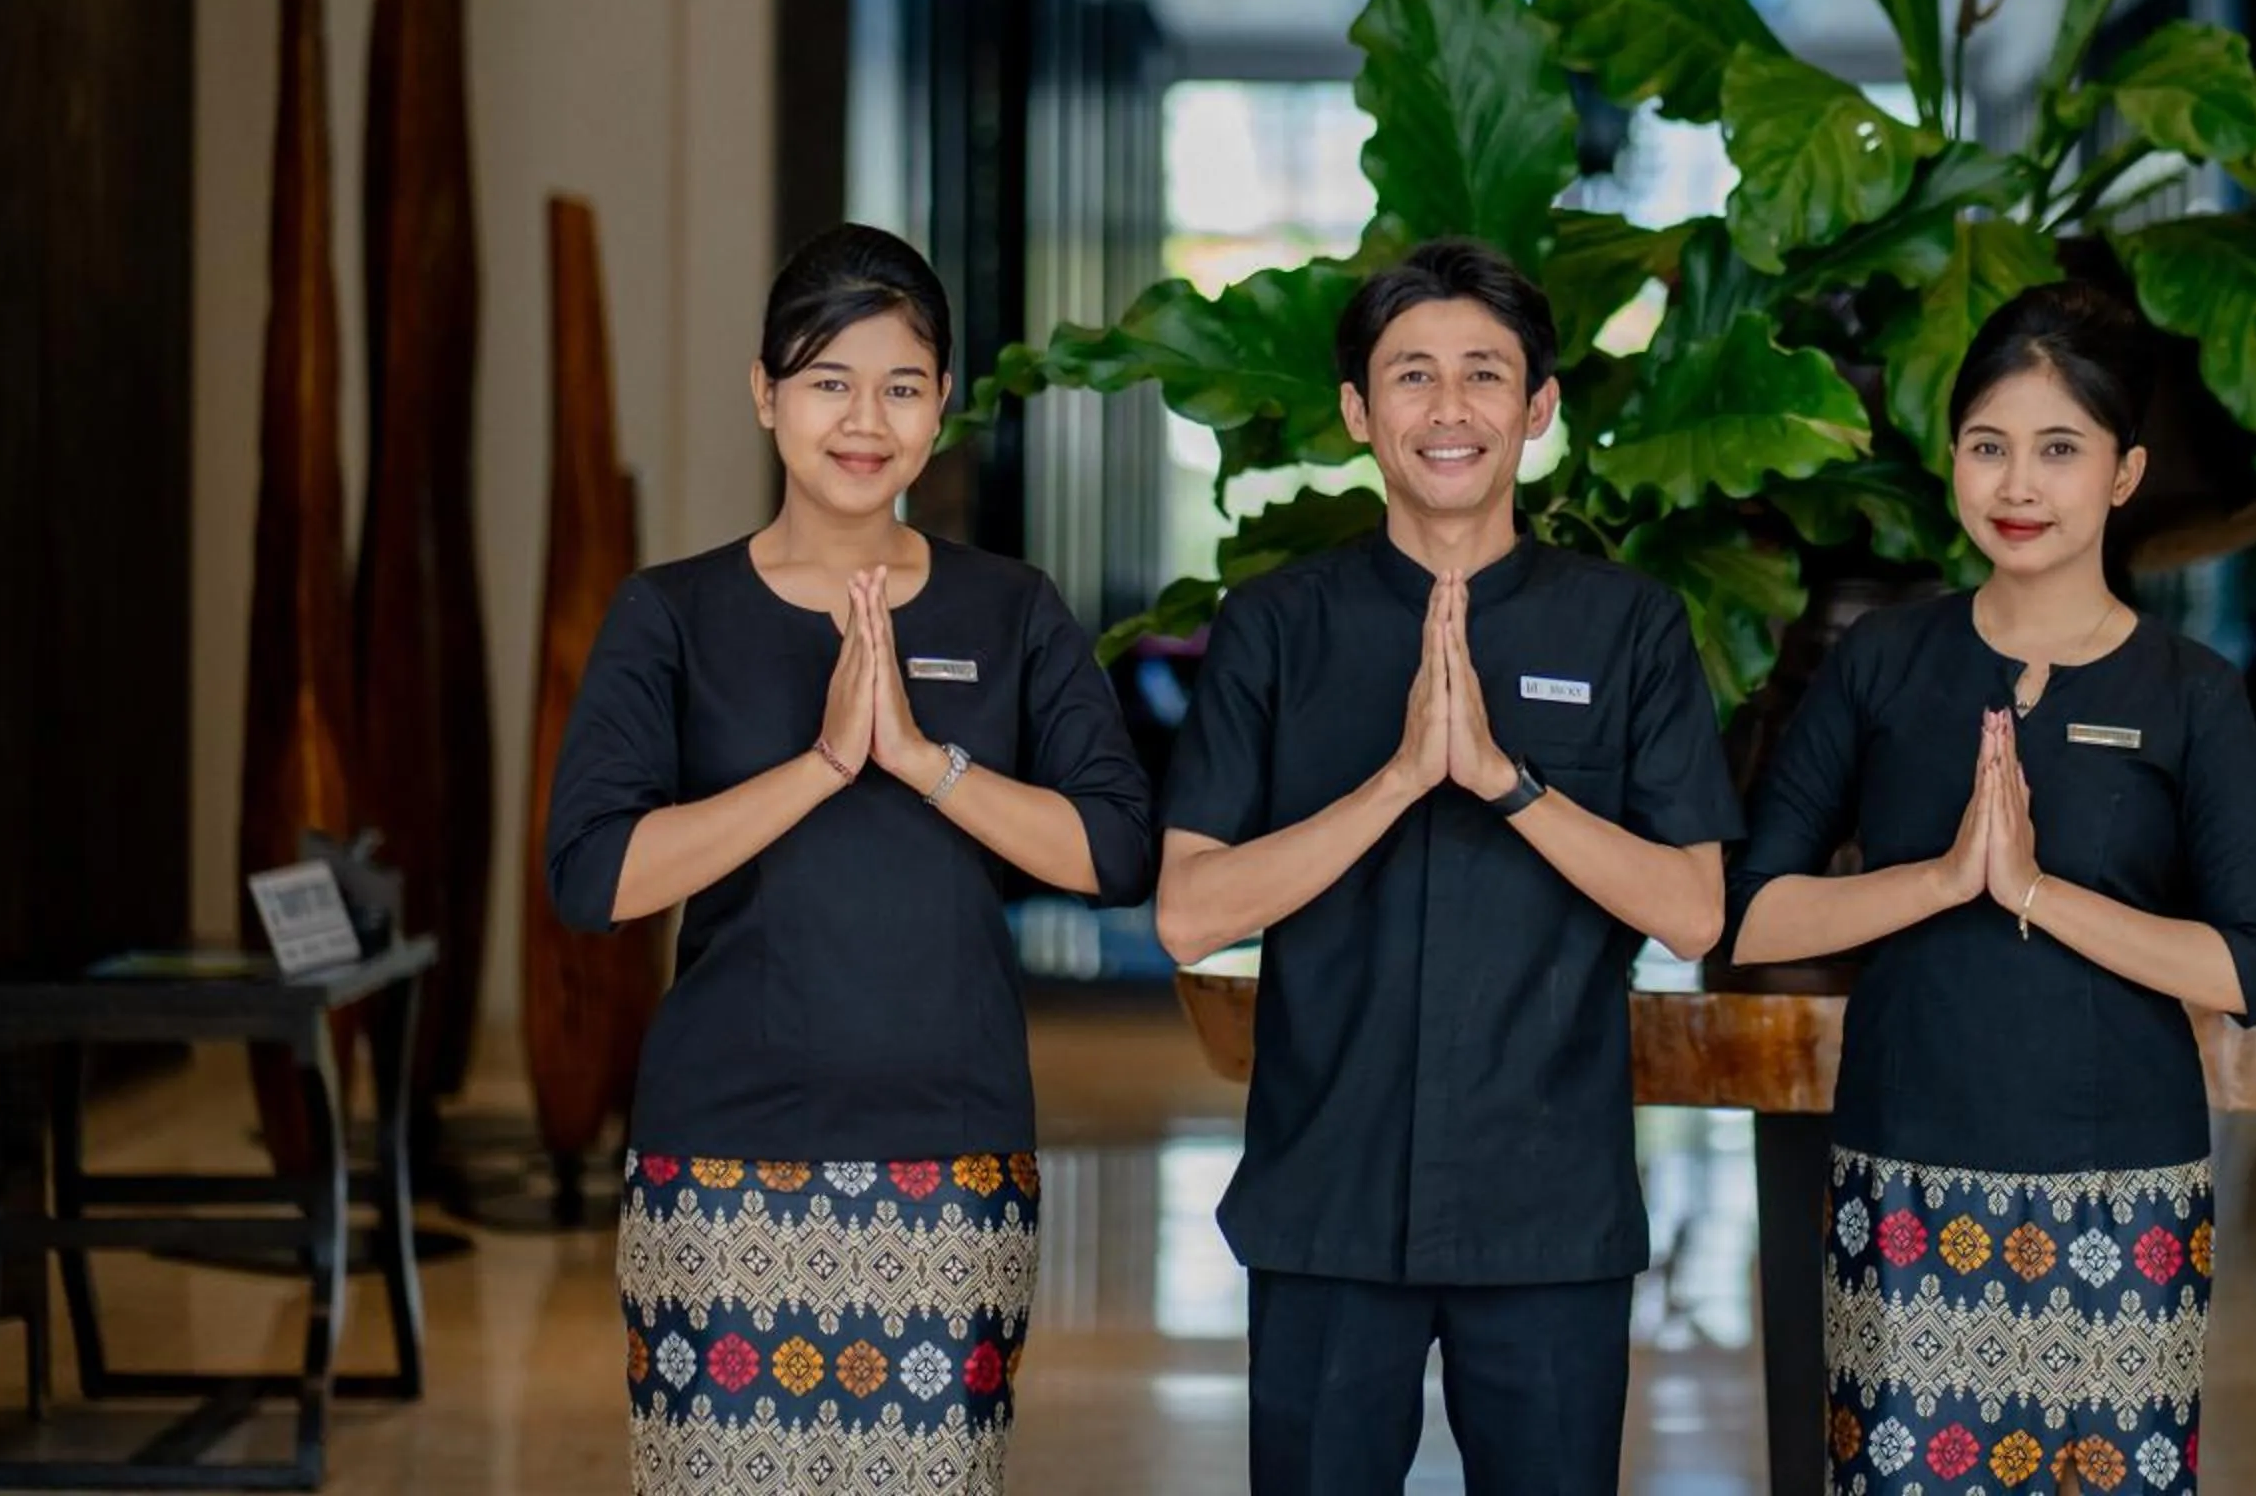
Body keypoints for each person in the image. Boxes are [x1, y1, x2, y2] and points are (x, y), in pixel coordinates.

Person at [545, 223, 1154, 1495]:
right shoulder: (674, 613)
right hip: (719, 1164)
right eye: (829, 379)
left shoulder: (1011, 608)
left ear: (941, 405)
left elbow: (1115, 848)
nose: (863, 418)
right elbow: (593, 875)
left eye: (902, 384)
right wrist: (820, 764)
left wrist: (926, 759)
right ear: (765, 394)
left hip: (953, 1158)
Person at [1154, 237, 1744, 1496]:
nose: (1449, 408)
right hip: (1327, 1194)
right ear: (1360, 411)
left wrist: (1506, 783)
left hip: (1548, 1207)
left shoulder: (1627, 624)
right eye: (1411, 375)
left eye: (1484, 373)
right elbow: (1187, 910)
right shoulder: (1274, 624)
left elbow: (1692, 909)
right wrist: (1396, 782)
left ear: (1538, 406)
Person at [1727, 280, 2256, 1496]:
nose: (2019, 486)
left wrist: (2035, 889)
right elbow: (1755, 907)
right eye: (1988, 447)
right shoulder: (1885, 659)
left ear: (2125, 473)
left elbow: (2254, 969)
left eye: (2058, 450)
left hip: (2124, 1192)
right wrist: (1941, 877)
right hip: (1905, 1179)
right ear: (1951, 462)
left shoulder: (2192, 691)